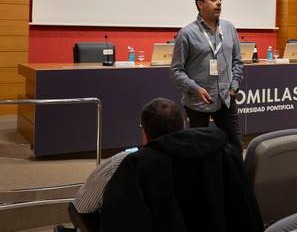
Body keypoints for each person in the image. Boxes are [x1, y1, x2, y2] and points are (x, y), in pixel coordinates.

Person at [61, 97, 263, 232]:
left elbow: (81, 207)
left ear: (145, 132)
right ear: (183, 124)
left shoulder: (127, 163)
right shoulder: (225, 152)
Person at [170, 0, 244, 153]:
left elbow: (238, 61)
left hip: (226, 98)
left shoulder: (229, 28)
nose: (218, 3)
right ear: (200, 4)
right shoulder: (187, 33)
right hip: (198, 102)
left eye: (220, 0)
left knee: (235, 146)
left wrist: (234, 85)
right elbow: (176, 71)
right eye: (213, 0)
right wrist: (195, 89)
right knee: (199, 149)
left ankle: (236, 178)